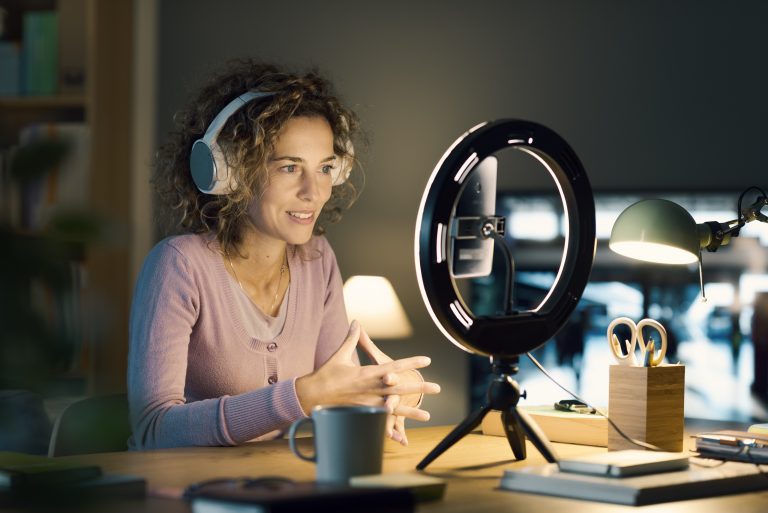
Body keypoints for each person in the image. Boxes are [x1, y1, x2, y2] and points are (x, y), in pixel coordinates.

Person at [127, 60, 440, 450]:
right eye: (290, 167)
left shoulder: (317, 259)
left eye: (325, 168)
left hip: (275, 484)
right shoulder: (178, 265)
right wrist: (302, 396)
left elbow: (338, 397)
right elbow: (154, 429)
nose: (314, 191)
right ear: (231, 171)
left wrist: (390, 391)